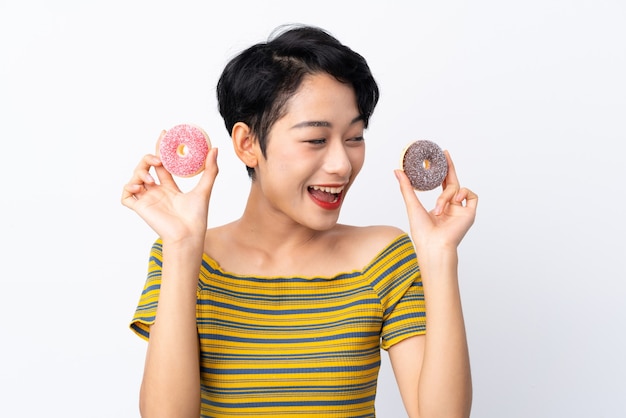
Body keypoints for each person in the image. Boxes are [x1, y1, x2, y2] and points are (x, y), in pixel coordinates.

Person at [122, 24, 477, 418]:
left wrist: (440, 256)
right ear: (248, 144)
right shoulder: (186, 259)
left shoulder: (383, 259)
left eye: (355, 137)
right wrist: (182, 248)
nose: (342, 164)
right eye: (315, 140)